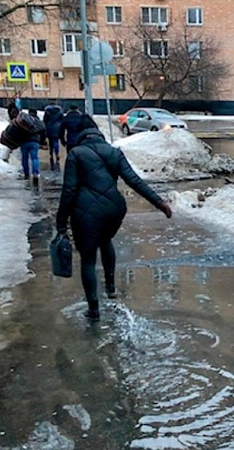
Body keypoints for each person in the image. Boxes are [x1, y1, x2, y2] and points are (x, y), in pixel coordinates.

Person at [56, 115, 173, 321]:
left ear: (81, 134)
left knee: (88, 258)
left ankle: (93, 309)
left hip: (86, 213)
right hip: (114, 210)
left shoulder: (76, 154)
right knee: (105, 241)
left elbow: (69, 191)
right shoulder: (114, 152)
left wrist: (61, 222)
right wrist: (159, 203)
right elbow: (134, 181)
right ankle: (110, 288)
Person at [19, 109, 46, 183]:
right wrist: (42, 142)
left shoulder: (24, 121)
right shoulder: (39, 122)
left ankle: (26, 174)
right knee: (34, 158)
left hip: (24, 142)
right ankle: (35, 173)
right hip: (34, 142)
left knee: (24, 158)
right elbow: (43, 132)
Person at [43, 102, 64, 171]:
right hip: (57, 128)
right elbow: (62, 120)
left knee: (50, 141)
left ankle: (51, 153)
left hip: (49, 127)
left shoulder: (47, 111)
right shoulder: (59, 111)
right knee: (56, 141)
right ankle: (57, 153)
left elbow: (44, 120)